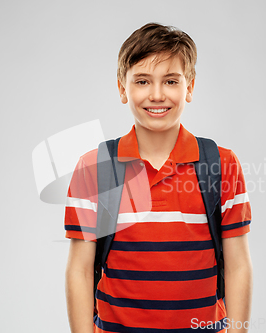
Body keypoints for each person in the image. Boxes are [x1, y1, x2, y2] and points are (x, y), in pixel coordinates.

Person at [64, 22, 253, 332]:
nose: (156, 94)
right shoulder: (94, 169)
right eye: (142, 81)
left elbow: (238, 266)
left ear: (189, 87)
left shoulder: (222, 165)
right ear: (122, 88)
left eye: (170, 81)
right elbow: (80, 271)